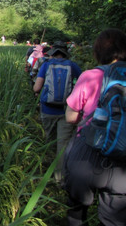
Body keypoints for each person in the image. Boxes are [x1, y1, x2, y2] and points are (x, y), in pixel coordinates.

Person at [63, 28, 126, 225]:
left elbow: (70, 117)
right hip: (122, 159)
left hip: (87, 155)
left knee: (76, 211)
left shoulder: (90, 76)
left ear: (98, 51)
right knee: (114, 220)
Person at [33, 41, 82, 182]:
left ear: (53, 52)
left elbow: (36, 88)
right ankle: (59, 177)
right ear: (66, 52)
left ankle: (47, 170)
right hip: (66, 111)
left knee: (50, 140)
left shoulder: (46, 65)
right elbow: (82, 84)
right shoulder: (73, 66)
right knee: (63, 144)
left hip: (48, 109)